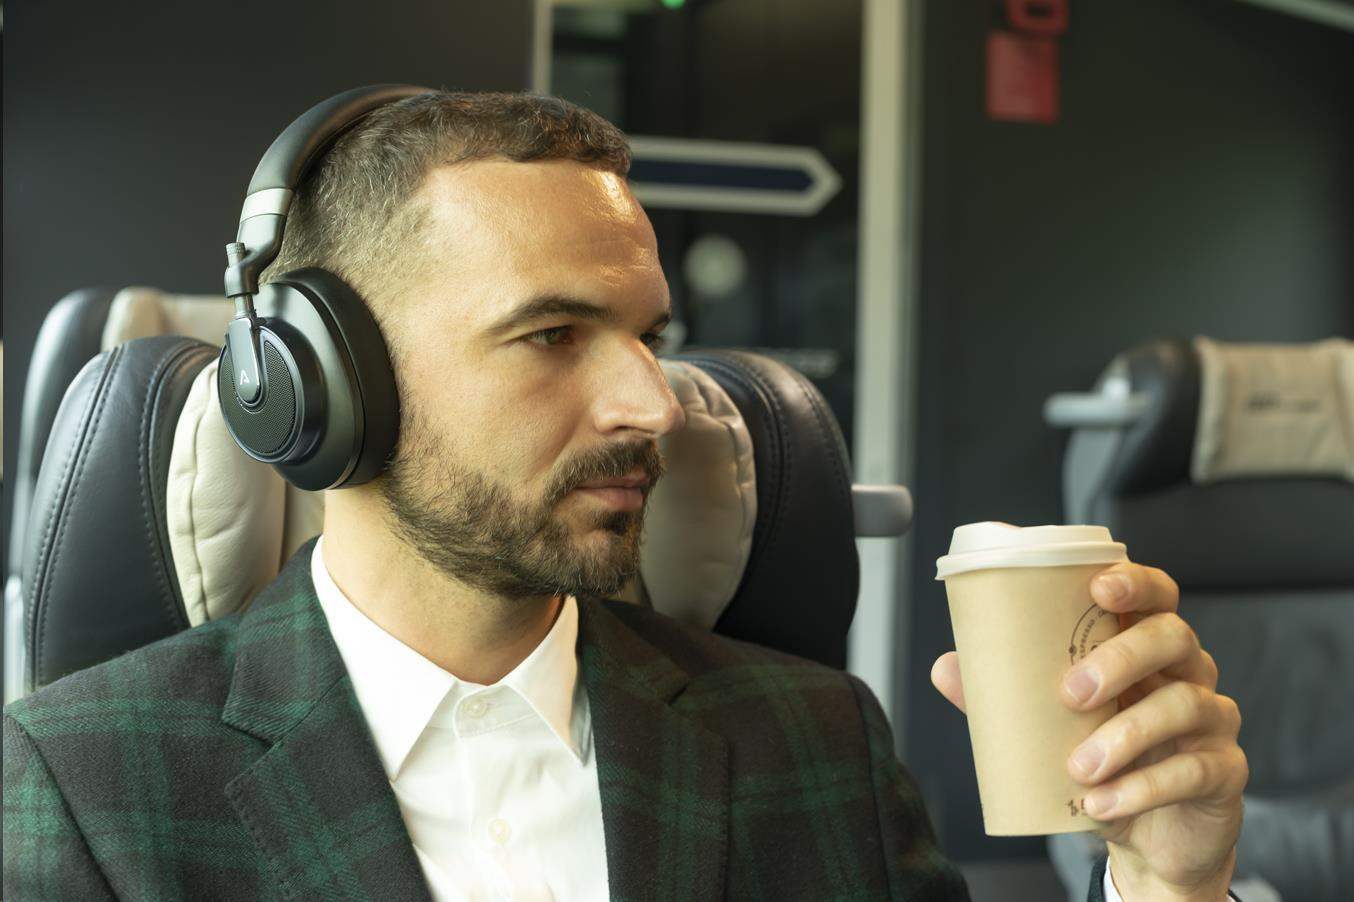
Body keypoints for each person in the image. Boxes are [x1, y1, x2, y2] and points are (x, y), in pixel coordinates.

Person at [2, 91, 1246, 901]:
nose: (655, 404)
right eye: (551, 334)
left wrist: (1167, 881)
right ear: (324, 387)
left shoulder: (816, 741)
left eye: (650, 336)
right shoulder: (88, 783)